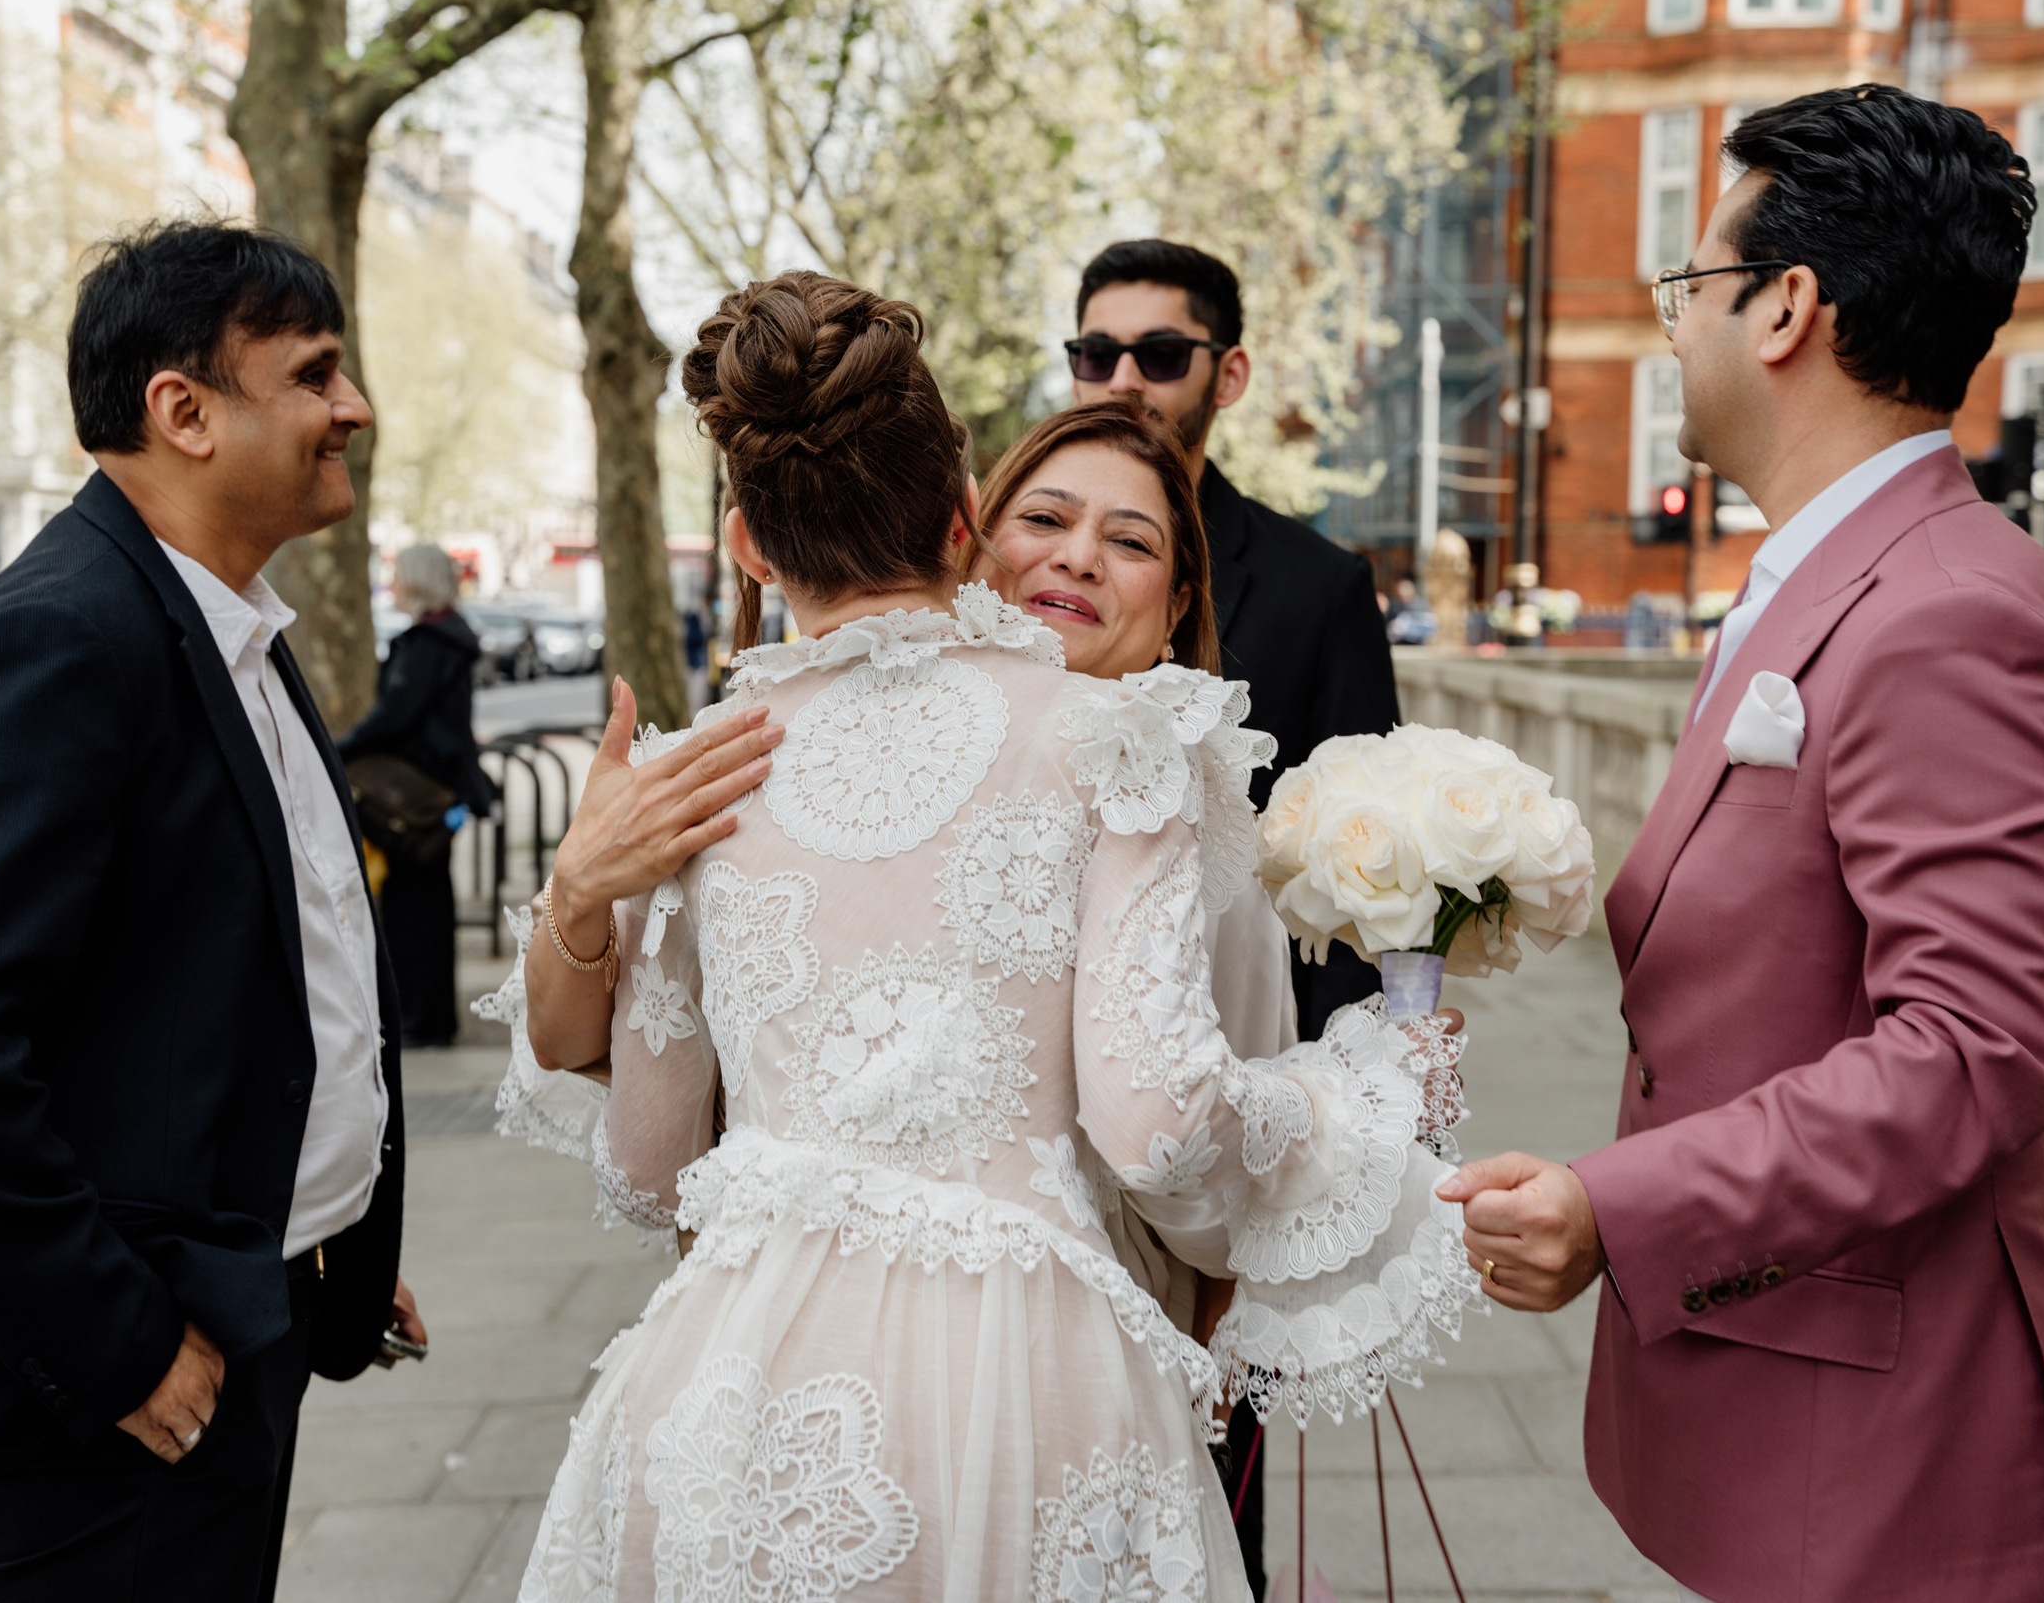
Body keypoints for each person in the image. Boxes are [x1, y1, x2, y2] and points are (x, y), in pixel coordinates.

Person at [493, 272, 1476, 1599]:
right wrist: (1361, 1096)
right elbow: (1165, 1126)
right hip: (1028, 1370)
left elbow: (655, 1165)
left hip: (735, 1373)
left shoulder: (693, 774)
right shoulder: (1117, 736)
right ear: (966, 525)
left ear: (745, 544)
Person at [1440, 85, 2044, 1603]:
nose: (1672, 323)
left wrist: (1624, 1204)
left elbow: (1972, 1049)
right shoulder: (1834, 575)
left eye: (1690, 285)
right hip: (1784, 1396)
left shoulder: (1949, 612)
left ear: (1786, 309)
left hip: (1887, 1451)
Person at [0, 222, 428, 1603]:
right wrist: (117, 1341)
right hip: (119, 1383)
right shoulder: (61, 635)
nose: (355, 408)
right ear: (185, 411)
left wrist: (333, 1237)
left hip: (240, 1304)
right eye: (316, 372)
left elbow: (243, 974)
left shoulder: (223, 622)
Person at [965, 397, 1303, 1590]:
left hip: (1102, 1355)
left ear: (1171, 615)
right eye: (1044, 517)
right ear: (970, 540)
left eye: (1130, 541)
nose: (1074, 556)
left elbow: (1240, 1095)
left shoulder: (1203, 823)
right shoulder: (871, 769)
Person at [1069, 241, 1398, 1041]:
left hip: (1240, 1043)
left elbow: (1358, 875)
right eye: (1096, 353)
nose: (1123, 379)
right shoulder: (1009, 563)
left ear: (1231, 373)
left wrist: (1343, 1091)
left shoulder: (1322, 589)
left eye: (1161, 354)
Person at [338, 543, 496, 1049]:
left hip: (418, 797)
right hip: (441, 796)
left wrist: (336, 747)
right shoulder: (448, 638)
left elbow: (394, 716)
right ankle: (431, 1017)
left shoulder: (427, 644)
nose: (393, 585)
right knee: (428, 902)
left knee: (413, 908)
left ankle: (420, 1019)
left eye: (398, 576)